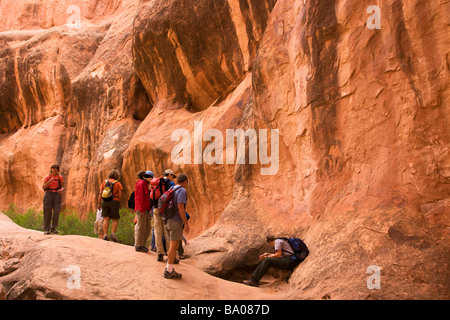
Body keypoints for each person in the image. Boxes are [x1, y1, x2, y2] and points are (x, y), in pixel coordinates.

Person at [164, 173, 190, 279]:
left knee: (172, 245)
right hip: (175, 221)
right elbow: (180, 206)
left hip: (167, 219)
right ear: (185, 181)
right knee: (174, 246)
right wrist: (185, 223)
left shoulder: (172, 188)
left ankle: (170, 266)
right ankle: (169, 270)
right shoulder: (182, 190)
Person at [152, 169, 176, 262]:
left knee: (157, 231)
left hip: (155, 208)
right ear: (169, 175)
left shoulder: (157, 182)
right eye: (172, 176)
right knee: (167, 232)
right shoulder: (171, 184)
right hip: (165, 210)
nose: (173, 178)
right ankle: (171, 256)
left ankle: (160, 253)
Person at [98, 169, 123, 242]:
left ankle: (105, 235)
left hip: (104, 201)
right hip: (114, 201)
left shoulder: (104, 182)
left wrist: (99, 203)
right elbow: (120, 194)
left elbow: (100, 193)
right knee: (115, 219)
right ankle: (113, 234)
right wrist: (119, 203)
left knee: (106, 218)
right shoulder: (118, 183)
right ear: (117, 176)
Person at [42, 164, 64, 235]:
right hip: (48, 194)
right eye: (53, 168)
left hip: (57, 195)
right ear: (51, 169)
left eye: (56, 168)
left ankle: (53, 227)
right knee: (47, 212)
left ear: (58, 170)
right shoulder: (48, 177)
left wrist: (61, 190)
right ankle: (46, 229)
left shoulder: (60, 177)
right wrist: (49, 182)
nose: (55, 169)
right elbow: (43, 187)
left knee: (57, 211)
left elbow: (62, 187)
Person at [134, 170, 153, 252]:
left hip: (145, 208)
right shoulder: (141, 184)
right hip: (141, 208)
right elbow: (140, 197)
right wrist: (141, 209)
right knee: (141, 227)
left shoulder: (145, 184)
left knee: (147, 227)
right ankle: (138, 245)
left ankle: (142, 244)